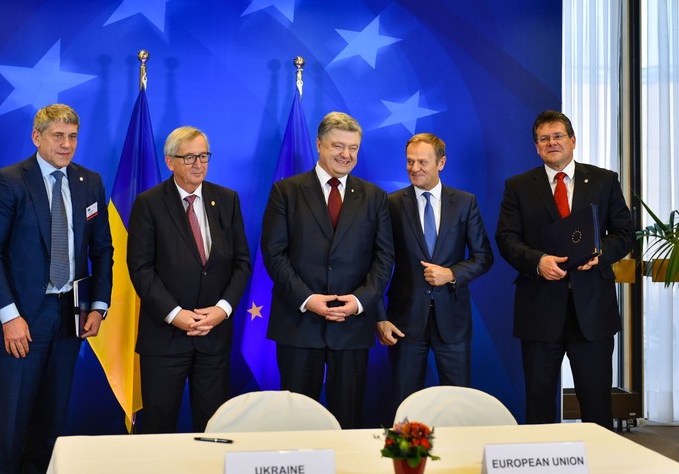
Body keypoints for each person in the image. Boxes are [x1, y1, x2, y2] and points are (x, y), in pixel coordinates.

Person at [0, 104, 114, 474]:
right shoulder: (8, 181)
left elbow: (102, 250)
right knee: (11, 424)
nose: (66, 145)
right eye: (58, 136)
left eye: (73, 137)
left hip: (69, 319)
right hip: (22, 319)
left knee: (51, 422)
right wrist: (9, 317)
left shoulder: (90, 182)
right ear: (37, 137)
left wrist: (98, 305)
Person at [495, 110, 634, 429]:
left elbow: (625, 233)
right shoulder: (518, 187)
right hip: (539, 309)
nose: (552, 143)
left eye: (558, 136)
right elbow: (507, 238)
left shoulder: (604, 180)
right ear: (536, 147)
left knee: (596, 403)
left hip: (592, 310)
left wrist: (600, 253)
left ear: (572, 140)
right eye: (544, 138)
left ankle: (599, 457)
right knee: (539, 402)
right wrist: (537, 262)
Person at [261, 111, 394, 429]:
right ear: (319, 144)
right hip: (298, 324)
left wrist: (359, 301)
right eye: (338, 146)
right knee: (296, 421)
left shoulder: (374, 197)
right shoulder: (286, 192)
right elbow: (274, 254)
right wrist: (308, 300)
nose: (346, 155)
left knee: (348, 420)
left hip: (352, 326)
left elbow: (384, 258)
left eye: (353, 148)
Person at [127, 126, 251, 433]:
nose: (199, 164)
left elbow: (241, 263)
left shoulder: (227, 200)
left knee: (213, 428)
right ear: (170, 162)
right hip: (164, 339)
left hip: (213, 337)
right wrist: (175, 314)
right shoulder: (149, 203)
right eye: (190, 157)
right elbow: (141, 269)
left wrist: (222, 310)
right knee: (159, 429)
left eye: (204, 156)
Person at [377, 133, 494, 406]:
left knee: (458, 404)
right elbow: (378, 264)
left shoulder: (465, 202)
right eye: (410, 161)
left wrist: (451, 274)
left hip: (453, 321)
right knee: (405, 403)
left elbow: (484, 257)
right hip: (404, 322)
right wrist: (379, 316)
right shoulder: (391, 204)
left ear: (441, 163)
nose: (414, 168)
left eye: (422, 162)